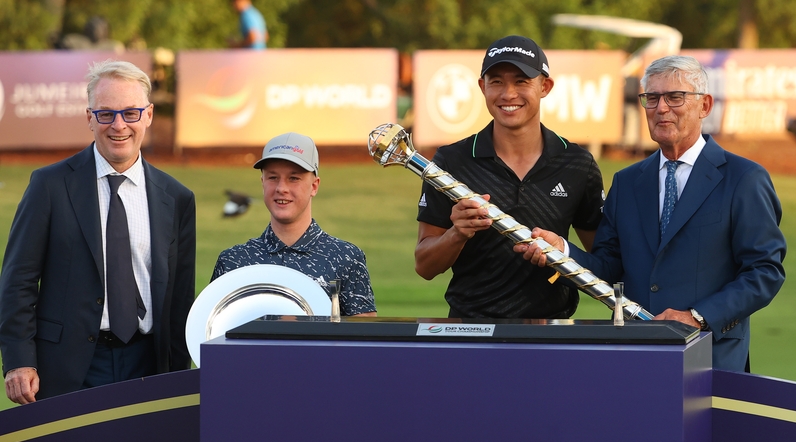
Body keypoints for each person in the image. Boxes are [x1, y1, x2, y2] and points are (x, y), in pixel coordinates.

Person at [516, 55, 786, 372]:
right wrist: (561, 250)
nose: (661, 108)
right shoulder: (628, 182)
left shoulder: (743, 179)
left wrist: (698, 317)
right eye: (652, 98)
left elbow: (764, 272)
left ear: (705, 105)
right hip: (637, 358)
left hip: (712, 361)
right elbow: (609, 266)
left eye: (675, 97)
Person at [0, 60, 197, 404]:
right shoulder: (49, 186)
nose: (118, 125)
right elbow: (18, 279)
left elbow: (180, 297)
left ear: (148, 115)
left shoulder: (177, 198)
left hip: (148, 364)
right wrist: (19, 361)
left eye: (130, 113)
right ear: (89, 118)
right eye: (106, 114)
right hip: (68, 367)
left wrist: (179, 375)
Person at [415, 35, 605, 319]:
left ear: (545, 86)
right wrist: (457, 234)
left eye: (521, 81)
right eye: (496, 81)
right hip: (471, 333)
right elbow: (424, 266)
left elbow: (603, 264)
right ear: (482, 87)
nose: (508, 94)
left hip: (551, 335)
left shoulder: (577, 164)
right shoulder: (451, 161)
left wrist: (562, 252)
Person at [211, 132, 377, 317]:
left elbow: (365, 340)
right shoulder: (234, 262)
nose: (282, 188)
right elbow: (211, 335)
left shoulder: (346, 258)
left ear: (314, 186)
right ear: (262, 183)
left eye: (294, 178)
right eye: (273, 177)